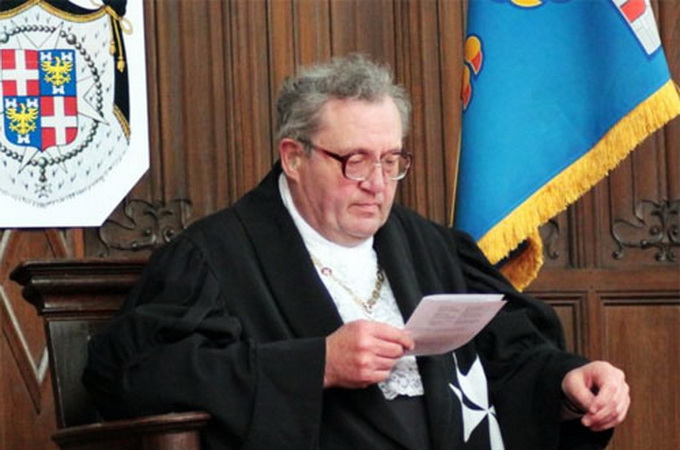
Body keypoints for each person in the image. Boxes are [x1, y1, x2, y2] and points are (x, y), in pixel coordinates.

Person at [83, 54, 629, 450]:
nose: (377, 183)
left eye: (391, 161)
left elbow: (509, 358)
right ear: (294, 158)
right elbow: (131, 376)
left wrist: (567, 384)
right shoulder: (217, 258)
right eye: (355, 161)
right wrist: (315, 364)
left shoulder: (432, 248)